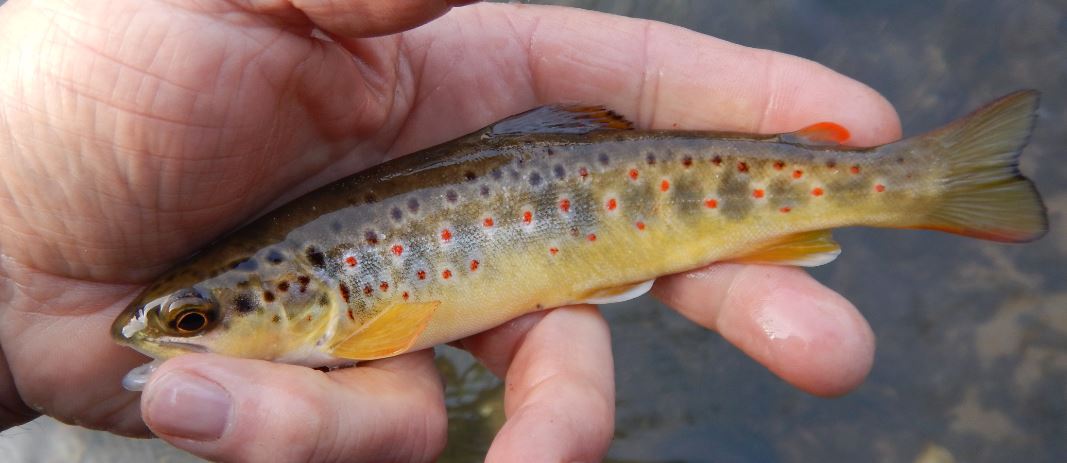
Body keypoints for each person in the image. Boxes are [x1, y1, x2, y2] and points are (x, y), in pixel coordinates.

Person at [0, 1, 896, 461]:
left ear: (298, 293)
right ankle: (896, 184)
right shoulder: (305, 287)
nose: (167, 337)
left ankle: (899, 184)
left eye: (194, 321)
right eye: (191, 322)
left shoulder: (356, 321)